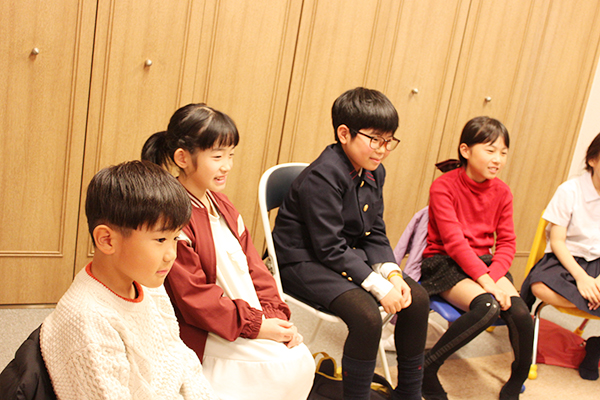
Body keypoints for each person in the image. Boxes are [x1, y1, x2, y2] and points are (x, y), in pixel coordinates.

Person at [141, 103, 314, 400]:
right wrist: (257, 326)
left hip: (245, 319)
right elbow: (195, 299)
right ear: (183, 158)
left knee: (301, 359)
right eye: (217, 156)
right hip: (208, 331)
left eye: (231, 155)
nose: (227, 166)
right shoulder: (173, 217)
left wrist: (276, 319)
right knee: (285, 368)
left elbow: (256, 269)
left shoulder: (223, 205)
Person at [272, 87, 430, 400]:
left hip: (341, 255)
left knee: (418, 298)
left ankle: (409, 394)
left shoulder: (374, 171)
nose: (383, 149)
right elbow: (328, 247)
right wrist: (378, 286)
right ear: (344, 134)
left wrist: (393, 275)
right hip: (301, 261)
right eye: (375, 139)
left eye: (389, 140)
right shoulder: (323, 176)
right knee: (367, 315)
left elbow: (375, 231)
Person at [40, 160, 218, 400]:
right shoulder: (87, 322)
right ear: (107, 240)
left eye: (175, 238)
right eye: (160, 240)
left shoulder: (147, 283)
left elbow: (181, 357)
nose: (171, 255)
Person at [419, 116, 533, 400]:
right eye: (490, 150)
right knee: (487, 307)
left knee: (521, 314)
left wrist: (491, 277)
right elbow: (454, 243)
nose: (498, 159)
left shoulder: (502, 192)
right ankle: (428, 369)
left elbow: (506, 242)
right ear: (465, 150)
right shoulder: (443, 186)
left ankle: (517, 376)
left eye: (503, 152)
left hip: (485, 264)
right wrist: (487, 284)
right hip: (444, 262)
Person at [521, 132, 600, 380]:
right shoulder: (570, 190)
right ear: (592, 160)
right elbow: (557, 242)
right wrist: (582, 279)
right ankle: (592, 300)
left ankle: (596, 346)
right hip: (566, 258)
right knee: (539, 288)